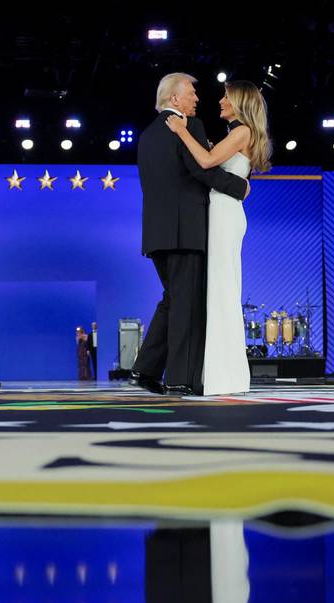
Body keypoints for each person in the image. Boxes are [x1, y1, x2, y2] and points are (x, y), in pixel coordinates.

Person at [130, 73, 250, 396]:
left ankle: (144, 369)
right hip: (186, 233)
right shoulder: (188, 127)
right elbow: (202, 169)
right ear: (175, 100)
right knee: (186, 305)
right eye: (192, 93)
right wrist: (240, 187)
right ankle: (180, 378)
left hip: (155, 236)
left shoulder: (145, 136)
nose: (197, 99)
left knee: (172, 300)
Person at [165, 80, 272, 395]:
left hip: (225, 214)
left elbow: (208, 162)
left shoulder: (242, 132)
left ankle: (225, 376)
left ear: (239, 101)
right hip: (223, 211)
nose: (221, 101)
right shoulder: (236, 134)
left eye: (226, 96)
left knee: (222, 291)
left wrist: (181, 130)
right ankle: (220, 373)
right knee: (219, 291)